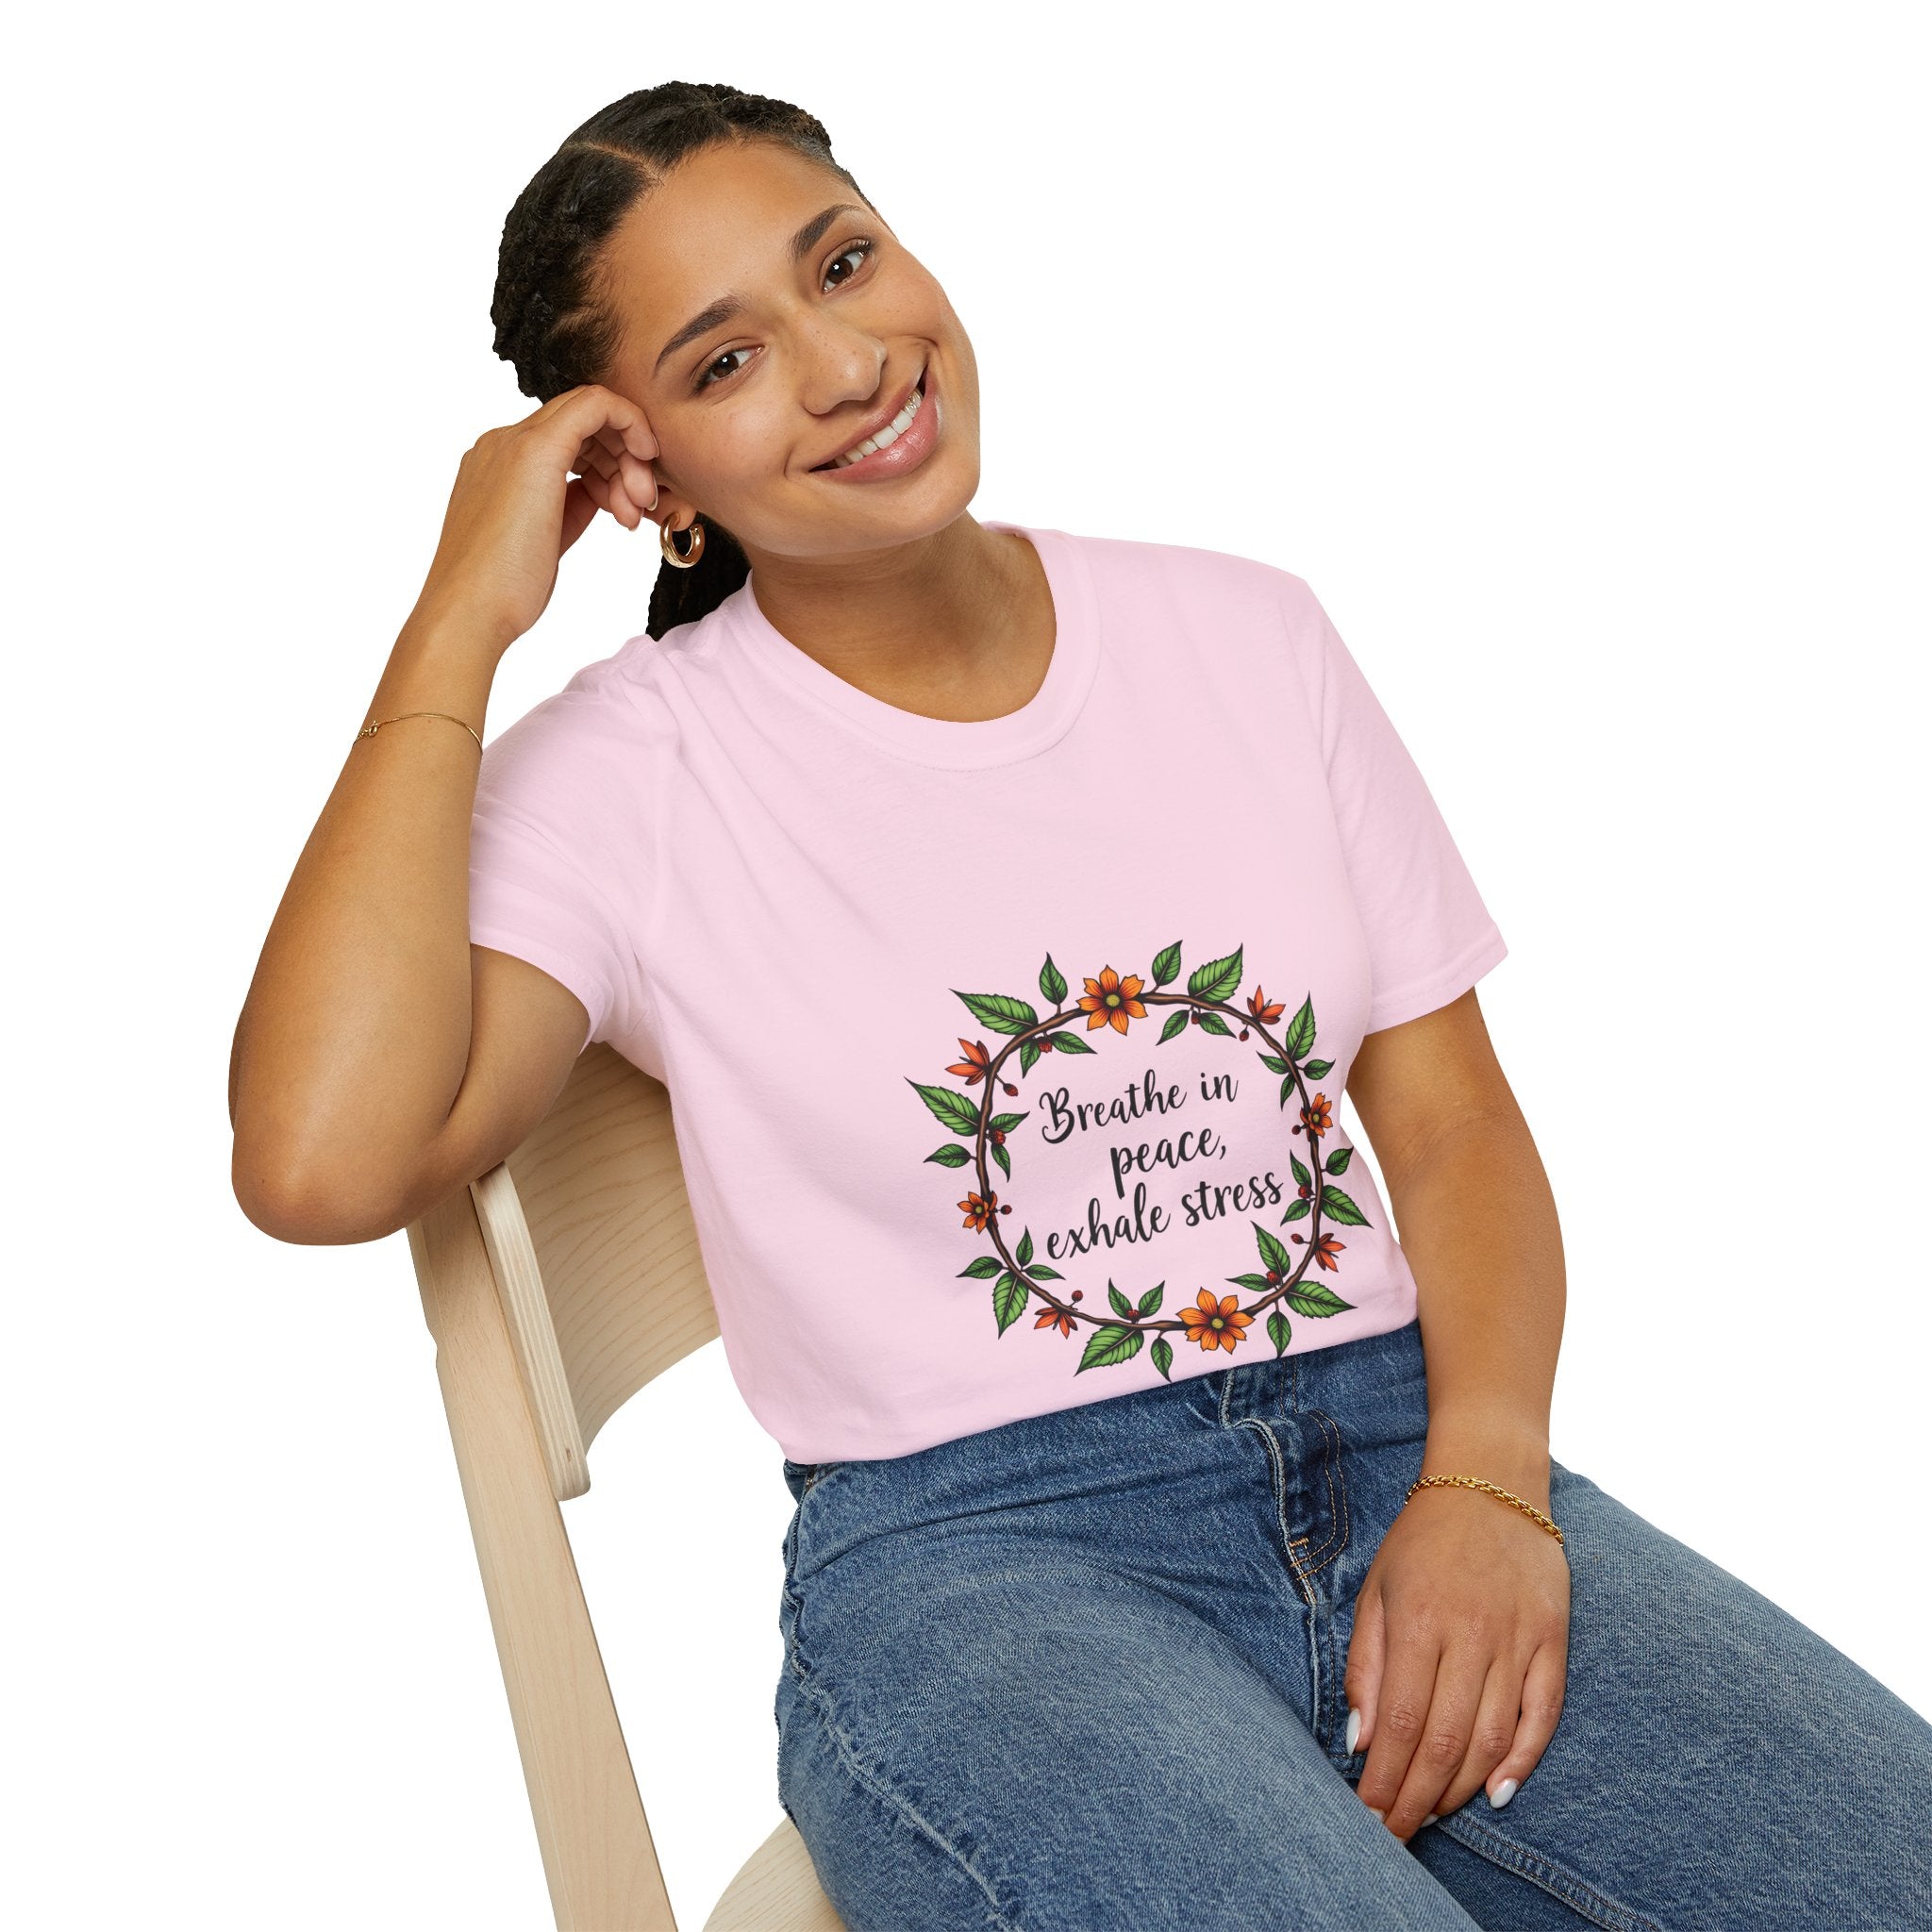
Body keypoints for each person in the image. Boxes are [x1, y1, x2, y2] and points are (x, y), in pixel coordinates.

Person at [228, 80, 1932, 1932]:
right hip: (983, 1566)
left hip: (1402, 1447)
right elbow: (321, 1158)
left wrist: (1490, 1485)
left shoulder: (1246, 635)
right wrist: (456, 618)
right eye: (725, 362)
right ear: (646, 479)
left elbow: (1446, 1123)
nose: (845, 361)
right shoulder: (629, 774)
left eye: (845, 263)